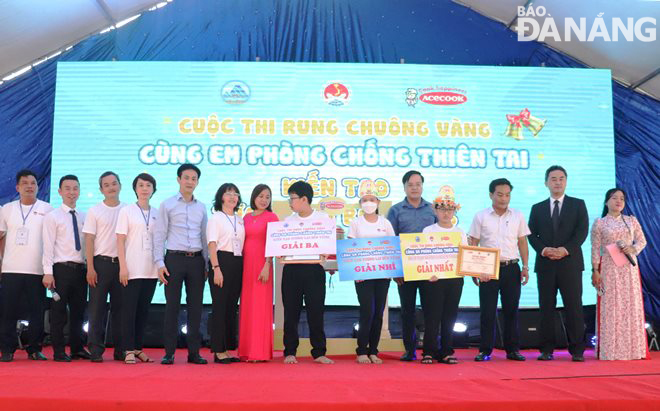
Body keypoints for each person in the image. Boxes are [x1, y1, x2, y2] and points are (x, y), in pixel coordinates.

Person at [528, 165, 588, 362]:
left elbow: (581, 232)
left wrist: (565, 249)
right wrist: (544, 250)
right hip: (545, 264)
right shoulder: (537, 208)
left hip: (570, 263)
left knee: (574, 307)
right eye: (553, 179)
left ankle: (577, 350)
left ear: (566, 181)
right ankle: (546, 349)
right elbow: (532, 235)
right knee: (546, 307)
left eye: (561, 178)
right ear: (546, 183)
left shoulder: (578, 205)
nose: (557, 182)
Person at [468, 178, 530, 362]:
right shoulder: (481, 216)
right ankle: (485, 350)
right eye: (500, 194)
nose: (504, 198)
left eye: (507, 195)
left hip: (511, 267)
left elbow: (522, 242)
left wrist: (525, 267)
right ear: (491, 195)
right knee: (487, 311)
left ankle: (512, 350)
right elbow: (473, 242)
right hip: (488, 270)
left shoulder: (517, 215)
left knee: (511, 310)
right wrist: (474, 269)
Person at [153, 164, 208, 365]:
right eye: (186, 178)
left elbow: (204, 236)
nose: (190, 182)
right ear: (178, 179)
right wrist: (159, 263)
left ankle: (194, 353)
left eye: (194, 179)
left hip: (196, 260)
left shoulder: (201, 207)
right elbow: (159, 235)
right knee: (172, 307)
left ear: (197, 182)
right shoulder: (167, 205)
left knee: (196, 308)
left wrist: (207, 264)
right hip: (174, 260)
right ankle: (169, 352)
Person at [0, 170, 53, 362]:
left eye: (33, 183)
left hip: (36, 270)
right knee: (8, 311)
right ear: (17, 187)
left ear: (38, 187)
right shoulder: (7, 209)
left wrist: (49, 270)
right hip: (11, 269)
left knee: (36, 311)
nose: (29, 186)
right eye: (25, 183)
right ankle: (7, 349)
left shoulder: (47, 209)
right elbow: (1, 236)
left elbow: (50, 241)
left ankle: (34, 349)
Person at [591, 188, 648, 360]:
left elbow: (642, 240)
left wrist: (633, 248)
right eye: (614, 198)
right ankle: (611, 350)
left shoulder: (631, 221)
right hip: (609, 268)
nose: (618, 201)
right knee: (611, 306)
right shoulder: (600, 223)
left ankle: (633, 349)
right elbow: (595, 249)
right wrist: (595, 271)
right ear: (606, 201)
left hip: (628, 269)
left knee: (630, 305)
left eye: (622, 198)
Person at [386, 170, 437, 361]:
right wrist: (395, 270)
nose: (414, 187)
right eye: (410, 184)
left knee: (431, 309)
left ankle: (430, 350)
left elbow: (440, 237)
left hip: (429, 270)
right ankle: (409, 349)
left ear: (422, 186)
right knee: (407, 310)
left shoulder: (433, 209)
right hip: (405, 270)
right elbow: (390, 241)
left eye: (418, 184)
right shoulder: (396, 210)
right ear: (404, 187)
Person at [281, 181, 334, 364]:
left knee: (316, 312)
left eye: (292, 198)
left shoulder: (323, 219)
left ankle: (319, 352)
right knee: (291, 313)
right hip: (291, 271)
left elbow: (330, 246)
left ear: (304, 199)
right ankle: (289, 352)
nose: (290, 202)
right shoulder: (287, 222)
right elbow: (281, 248)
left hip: (314, 270)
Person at [42, 175, 90, 362]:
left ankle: (77, 348)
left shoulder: (84, 217)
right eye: (67, 188)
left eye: (75, 188)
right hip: (60, 270)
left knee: (79, 312)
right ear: (60, 191)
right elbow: (48, 246)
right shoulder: (52, 217)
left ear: (79, 191)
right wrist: (48, 272)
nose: (72, 192)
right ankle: (59, 351)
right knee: (59, 313)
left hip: (81, 270)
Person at [348, 180, 395, 364]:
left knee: (378, 313)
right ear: (360, 203)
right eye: (365, 199)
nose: (369, 202)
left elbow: (392, 246)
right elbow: (352, 248)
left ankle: (373, 350)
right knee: (367, 311)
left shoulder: (385, 223)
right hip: (362, 275)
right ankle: (361, 350)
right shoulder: (355, 223)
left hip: (382, 275)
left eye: (372, 199)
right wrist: (355, 273)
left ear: (378, 202)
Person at [116, 173, 159, 364]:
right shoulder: (127, 211)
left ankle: (138, 348)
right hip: (131, 269)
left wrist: (159, 266)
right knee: (129, 311)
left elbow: (159, 241)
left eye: (148, 185)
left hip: (150, 269)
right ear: (135, 189)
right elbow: (120, 240)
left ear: (153, 189)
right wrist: (122, 267)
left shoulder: (157, 212)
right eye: (141, 185)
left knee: (143, 311)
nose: (144, 188)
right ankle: (127, 350)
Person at [421, 185, 466, 364]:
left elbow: (465, 256)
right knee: (432, 316)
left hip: (454, 279)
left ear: (455, 210)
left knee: (450, 316)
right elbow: (423, 255)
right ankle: (429, 352)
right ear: (435, 209)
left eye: (450, 209)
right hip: (434, 280)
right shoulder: (428, 231)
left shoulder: (460, 232)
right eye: (442, 209)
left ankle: (447, 351)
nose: (446, 213)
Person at [83, 171, 125, 362]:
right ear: (101, 189)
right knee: (97, 308)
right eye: (106, 185)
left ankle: (120, 349)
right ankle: (96, 349)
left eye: (114, 183)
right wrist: (90, 267)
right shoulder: (95, 211)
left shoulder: (128, 210)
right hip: (100, 264)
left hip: (122, 265)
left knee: (120, 309)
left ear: (120, 186)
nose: (111, 187)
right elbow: (89, 239)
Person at [238, 184, 279, 362]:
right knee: (247, 306)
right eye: (261, 196)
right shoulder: (245, 217)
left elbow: (274, 243)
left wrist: (267, 264)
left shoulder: (272, 217)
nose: (264, 200)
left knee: (260, 307)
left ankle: (259, 352)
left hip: (263, 266)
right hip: (246, 265)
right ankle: (246, 350)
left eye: (267, 197)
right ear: (254, 197)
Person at [207, 183, 245, 364]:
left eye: (235, 194)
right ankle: (218, 350)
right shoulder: (216, 218)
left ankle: (228, 348)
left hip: (237, 263)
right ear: (221, 196)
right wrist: (216, 268)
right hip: (220, 262)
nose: (232, 197)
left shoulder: (240, 219)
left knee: (231, 308)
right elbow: (212, 245)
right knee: (220, 307)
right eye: (228, 193)